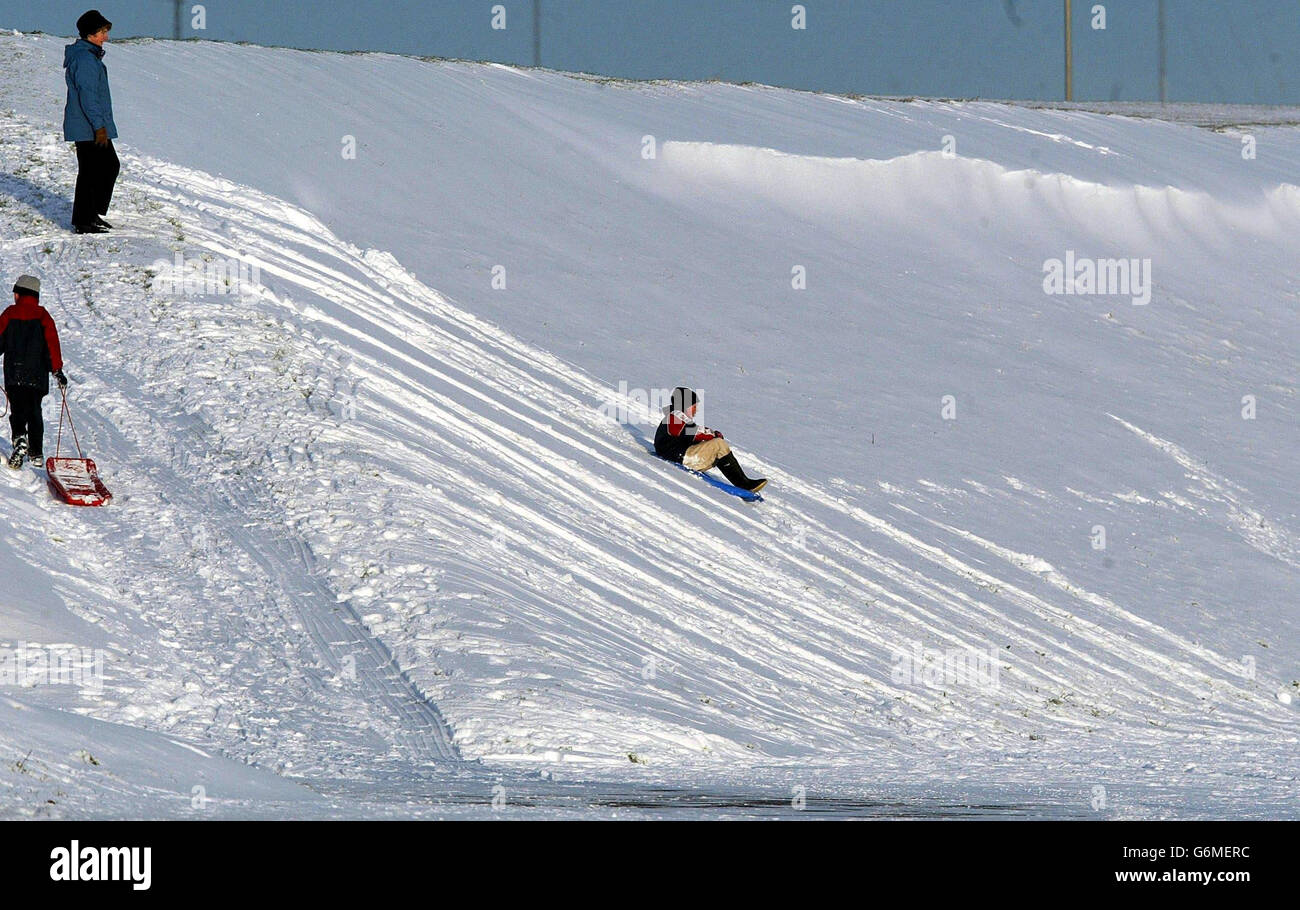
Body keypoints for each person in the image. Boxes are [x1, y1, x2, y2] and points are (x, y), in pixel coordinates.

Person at [1, 276, 68, 469]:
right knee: (34, 411)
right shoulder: (43, 316)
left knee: (17, 410)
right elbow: (52, 345)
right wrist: (57, 370)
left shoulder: (10, 314)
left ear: (19, 294)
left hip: (14, 373)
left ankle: (20, 438)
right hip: (37, 376)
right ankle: (36, 453)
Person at [63, 9, 119, 235]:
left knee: (104, 167)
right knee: (92, 171)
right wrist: (99, 127)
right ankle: (83, 221)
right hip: (88, 127)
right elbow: (88, 96)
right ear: (91, 33)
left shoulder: (88, 56)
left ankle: (90, 214)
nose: (106, 36)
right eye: (103, 31)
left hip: (90, 125)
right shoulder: (85, 59)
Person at [654, 387, 766, 492]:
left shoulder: (676, 417)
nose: (696, 410)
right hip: (678, 456)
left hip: (677, 454)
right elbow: (691, 432)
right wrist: (713, 434)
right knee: (718, 444)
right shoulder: (675, 417)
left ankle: (743, 482)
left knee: (716, 446)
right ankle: (744, 483)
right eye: (694, 406)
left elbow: (685, 434)